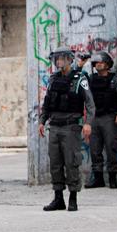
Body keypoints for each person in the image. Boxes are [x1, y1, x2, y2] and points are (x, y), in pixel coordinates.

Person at [39, 46, 95, 212]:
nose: (58, 62)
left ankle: (73, 198)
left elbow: (90, 104)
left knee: (72, 162)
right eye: (56, 59)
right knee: (55, 163)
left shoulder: (79, 79)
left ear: (69, 60)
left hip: (71, 127)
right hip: (54, 126)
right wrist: (42, 121)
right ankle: (58, 199)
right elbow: (47, 103)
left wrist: (88, 123)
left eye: (61, 58)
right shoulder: (53, 79)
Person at [85, 51, 117, 189]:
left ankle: (112, 178)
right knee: (95, 149)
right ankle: (98, 179)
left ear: (108, 65)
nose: (98, 65)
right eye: (96, 63)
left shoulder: (115, 79)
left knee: (111, 148)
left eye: (101, 63)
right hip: (95, 118)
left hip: (110, 118)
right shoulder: (91, 79)